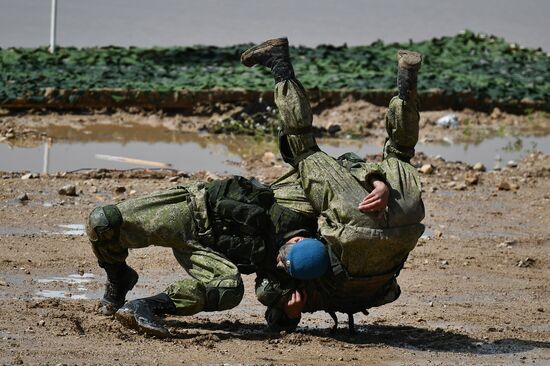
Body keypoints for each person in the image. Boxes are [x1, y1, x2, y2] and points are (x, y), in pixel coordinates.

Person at [86, 37, 424, 337]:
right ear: (309, 237)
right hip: (194, 213)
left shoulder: (285, 276)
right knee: (103, 221)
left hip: (210, 254)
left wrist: (289, 314)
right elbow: (346, 167)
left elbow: (276, 317)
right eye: (288, 250)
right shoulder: (298, 202)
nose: (279, 257)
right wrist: (375, 181)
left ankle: (150, 306)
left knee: (229, 289)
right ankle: (119, 278)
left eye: (284, 261)